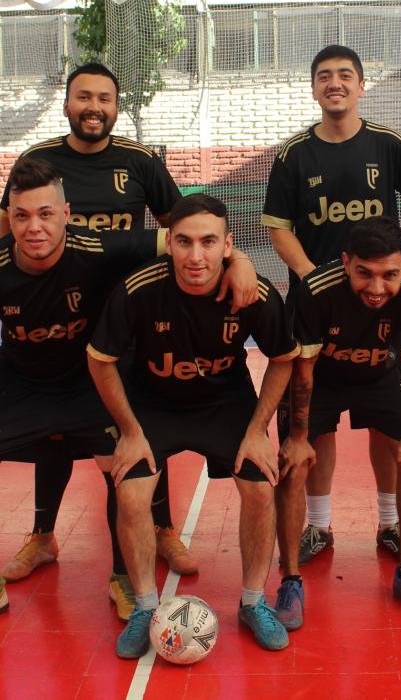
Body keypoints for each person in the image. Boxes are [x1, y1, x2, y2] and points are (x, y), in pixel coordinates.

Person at [0, 63, 196, 621]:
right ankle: (42, 536)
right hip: (61, 321)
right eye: (83, 97)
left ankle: (162, 528)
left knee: (141, 428)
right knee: (53, 433)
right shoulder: (39, 161)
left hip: (130, 322)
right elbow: (9, 230)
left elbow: (181, 226)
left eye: (104, 98)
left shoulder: (139, 162)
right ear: (66, 104)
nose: (94, 107)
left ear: (115, 106)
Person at [0, 155, 165, 634]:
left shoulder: (96, 248)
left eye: (45, 214)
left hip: (89, 379)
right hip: (21, 380)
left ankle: (123, 578)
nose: (34, 227)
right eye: (22, 216)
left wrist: (239, 261)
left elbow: (176, 238)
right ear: (10, 218)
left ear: (66, 214)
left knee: (125, 466)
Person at [87, 194, 300, 657]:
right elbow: (100, 360)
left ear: (228, 245)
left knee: (260, 488)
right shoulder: (138, 289)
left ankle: (253, 602)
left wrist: (256, 431)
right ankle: (145, 608)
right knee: (131, 493)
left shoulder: (255, 293)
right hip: (152, 404)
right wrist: (130, 431)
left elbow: (284, 358)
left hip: (225, 402)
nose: (196, 256)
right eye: (184, 242)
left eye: (208, 242)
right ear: (169, 244)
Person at [261, 44, 401, 567]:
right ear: (313, 88)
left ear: (362, 86)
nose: (335, 83)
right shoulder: (294, 154)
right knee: (314, 424)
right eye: (324, 75)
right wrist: (311, 277)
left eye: (345, 75)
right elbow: (277, 227)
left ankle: (390, 524)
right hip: (319, 313)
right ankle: (318, 528)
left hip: (380, 307)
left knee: (386, 423)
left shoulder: (388, 144)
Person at [274, 216, 401, 629]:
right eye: (364, 273)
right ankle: (291, 581)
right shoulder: (314, 292)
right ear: (346, 262)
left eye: (389, 275)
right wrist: (298, 437)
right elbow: (303, 370)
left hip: (380, 377)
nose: (376, 287)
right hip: (320, 380)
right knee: (292, 464)